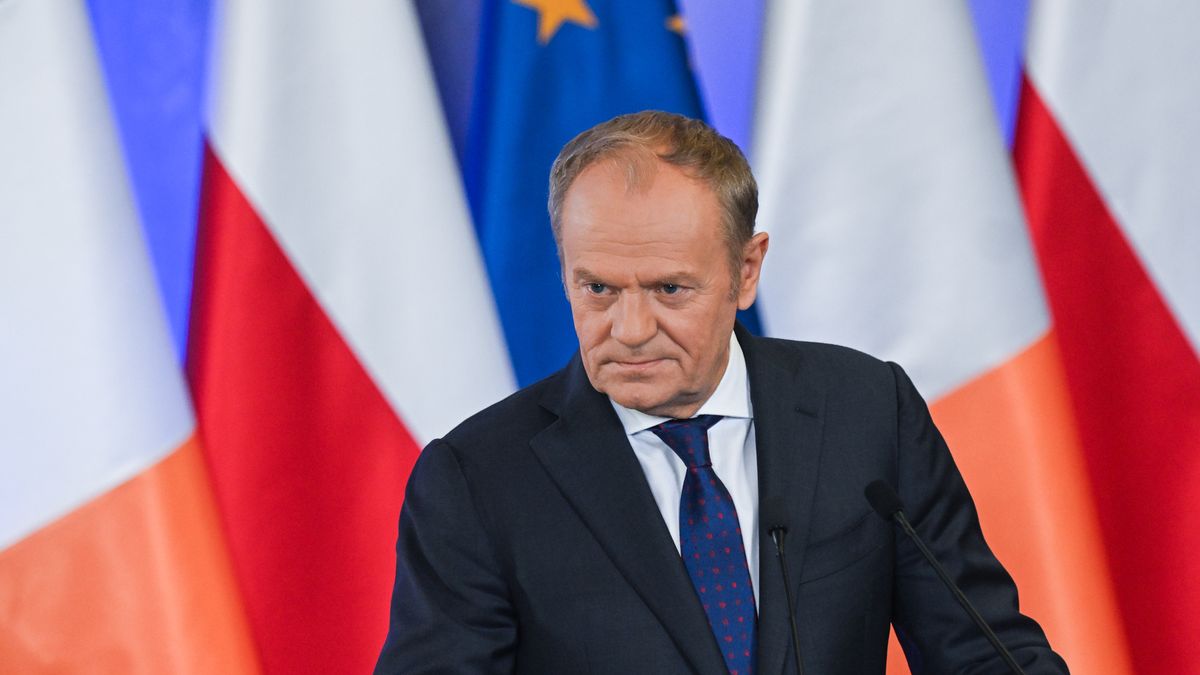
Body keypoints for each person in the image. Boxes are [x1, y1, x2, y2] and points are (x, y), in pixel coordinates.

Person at [374, 111, 1068, 674]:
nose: (632, 328)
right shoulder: (479, 479)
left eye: (669, 289)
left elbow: (982, 650)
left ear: (745, 271)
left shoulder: (865, 410)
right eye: (599, 288)